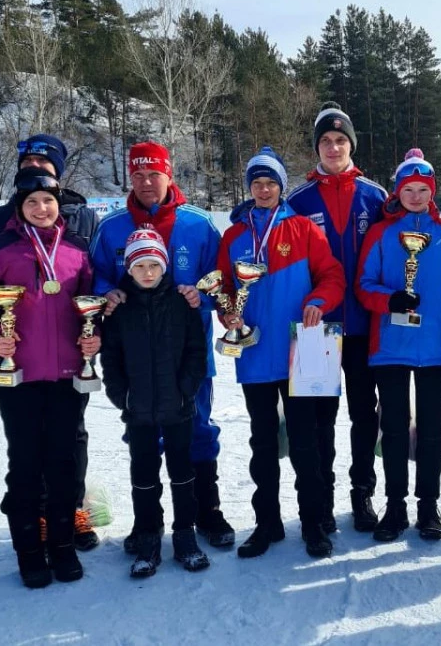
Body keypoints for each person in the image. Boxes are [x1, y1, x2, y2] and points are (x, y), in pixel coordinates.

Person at [90, 141, 235, 551]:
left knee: (198, 430)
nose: (146, 183)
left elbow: (220, 280)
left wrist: (202, 298)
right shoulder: (112, 227)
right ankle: (147, 525)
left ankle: (206, 512)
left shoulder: (198, 224)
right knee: (143, 440)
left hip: (189, 358)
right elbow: (96, 276)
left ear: (169, 175)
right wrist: (108, 295)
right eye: (137, 176)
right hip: (138, 360)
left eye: (154, 174)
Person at [0, 167, 100, 589]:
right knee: (24, 463)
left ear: (59, 205)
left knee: (63, 463)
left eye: (49, 201)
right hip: (17, 377)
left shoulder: (77, 249)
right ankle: (28, 550)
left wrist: (94, 339)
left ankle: (60, 545)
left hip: (66, 376)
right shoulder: (1, 249)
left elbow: (92, 306)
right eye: (32, 202)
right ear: (20, 208)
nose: (42, 209)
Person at [220, 147, 345, 559]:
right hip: (255, 351)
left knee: (306, 443)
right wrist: (226, 314)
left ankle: (312, 523)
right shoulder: (234, 235)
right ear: (249, 187)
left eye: (271, 182)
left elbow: (332, 276)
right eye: (256, 182)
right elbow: (221, 287)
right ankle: (266, 523)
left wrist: (319, 301)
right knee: (263, 443)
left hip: (300, 349)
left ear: (281, 187)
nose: (264, 188)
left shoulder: (305, 230)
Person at [355, 149, 441, 542]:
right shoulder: (381, 233)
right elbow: (363, 285)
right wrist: (390, 299)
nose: (417, 196)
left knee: (432, 430)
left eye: (424, 189)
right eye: (410, 189)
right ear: (398, 192)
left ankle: (428, 504)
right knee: (391, 429)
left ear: (433, 192)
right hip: (390, 345)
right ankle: (395, 505)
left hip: (436, 347)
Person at [286, 102, 387, 533]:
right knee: (319, 417)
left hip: (365, 324)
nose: (333, 146)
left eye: (340, 140)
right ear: (317, 146)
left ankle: (362, 493)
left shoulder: (376, 195)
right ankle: (320, 497)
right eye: (325, 141)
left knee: (365, 414)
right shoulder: (297, 200)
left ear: (351, 144)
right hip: (317, 327)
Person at [101, 226, 209, 577]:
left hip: (177, 406)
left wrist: (186, 388)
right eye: (139, 266)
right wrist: (122, 396)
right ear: (129, 269)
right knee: (144, 475)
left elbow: (197, 350)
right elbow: (111, 359)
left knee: (182, 472)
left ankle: (184, 534)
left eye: (154, 265)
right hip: (139, 409)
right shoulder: (119, 308)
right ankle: (148, 534)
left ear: (164, 266)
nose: (147, 273)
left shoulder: (181, 301)